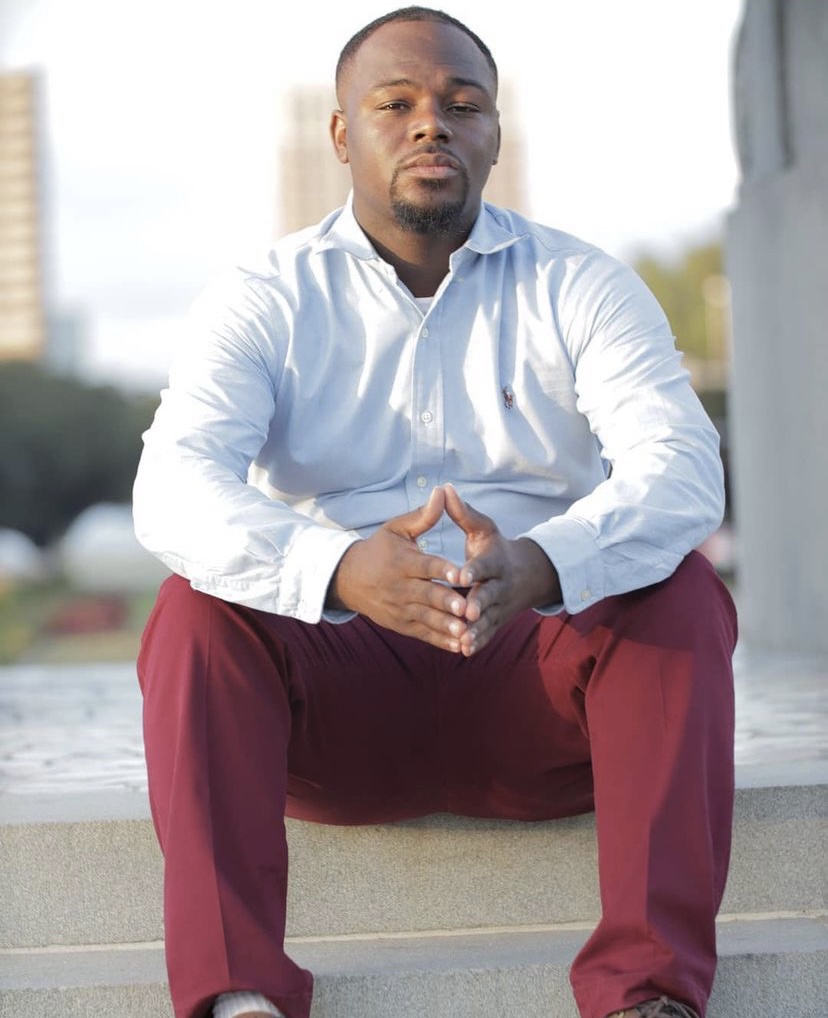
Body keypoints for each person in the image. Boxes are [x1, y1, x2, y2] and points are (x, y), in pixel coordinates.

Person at [133, 7, 737, 1018]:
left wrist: (542, 563)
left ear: (495, 133)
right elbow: (173, 484)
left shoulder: (583, 283)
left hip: (542, 687)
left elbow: (680, 469)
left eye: (463, 105)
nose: (432, 125)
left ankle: (648, 994)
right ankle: (238, 996)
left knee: (679, 589)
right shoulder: (264, 296)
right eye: (396, 104)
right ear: (342, 134)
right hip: (339, 701)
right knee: (194, 611)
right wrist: (338, 569)